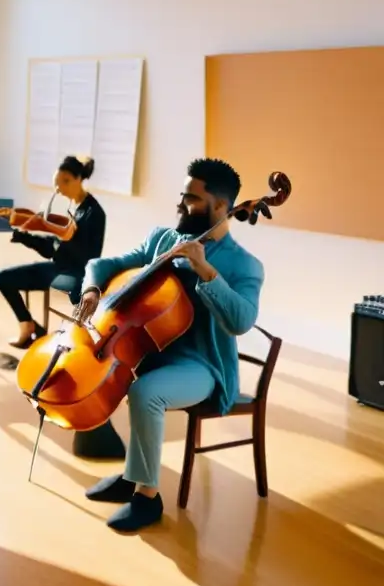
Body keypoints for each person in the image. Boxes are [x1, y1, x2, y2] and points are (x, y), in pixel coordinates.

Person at [73, 158, 264, 532]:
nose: (180, 204)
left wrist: (206, 271)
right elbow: (102, 263)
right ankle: (131, 475)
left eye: (191, 199)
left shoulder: (245, 265)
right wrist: (93, 288)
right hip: (152, 352)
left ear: (222, 208)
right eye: (182, 195)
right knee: (110, 377)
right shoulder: (163, 240)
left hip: (202, 366)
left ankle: (147, 497)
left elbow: (241, 320)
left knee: (147, 392)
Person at [0, 155, 105, 349]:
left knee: (75, 295)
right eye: (57, 183)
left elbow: (86, 256)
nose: (60, 188)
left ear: (79, 179)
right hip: (59, 266)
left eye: (66, 182)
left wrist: (58, 242)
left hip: (77, 273)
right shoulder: (71, 207)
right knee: (1, 278)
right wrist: (25, 238)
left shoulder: (94, 213)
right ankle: (28, 325)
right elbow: (53, 247)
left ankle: (76, 343)